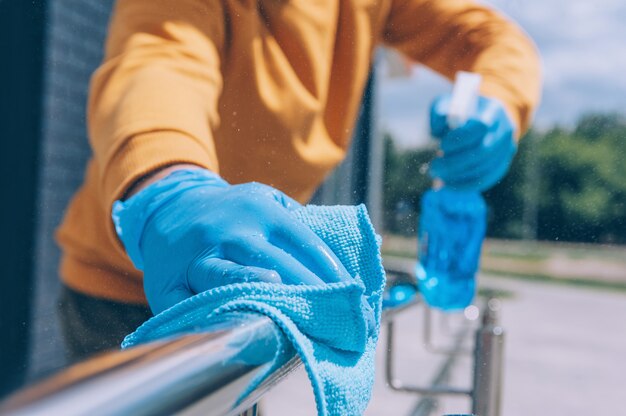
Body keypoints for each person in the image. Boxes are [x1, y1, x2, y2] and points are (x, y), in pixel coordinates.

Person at [56, 0, 541, 360]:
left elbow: (490, 38)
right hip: (126, 284)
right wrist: (169, 187)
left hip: (253, 286)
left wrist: (499, 98)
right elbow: (157, 60)